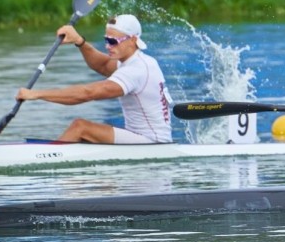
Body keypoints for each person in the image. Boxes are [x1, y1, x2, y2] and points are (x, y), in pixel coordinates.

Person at [16, 14, 172, 144]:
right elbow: (103, 65)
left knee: (80, 127)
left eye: (113, 41)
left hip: (151, 142)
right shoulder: (137, 61)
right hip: (139, 138)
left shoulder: (135, 70)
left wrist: (36, 94)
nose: (108, 46)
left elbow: (87, 93)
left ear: (132, 40)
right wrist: (79, 41)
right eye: (106, 40)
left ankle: (46, 160)